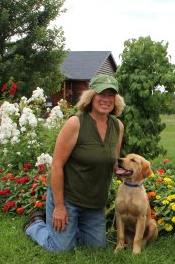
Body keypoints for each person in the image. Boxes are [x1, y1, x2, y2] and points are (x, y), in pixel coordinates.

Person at [23, 74, 125, 252]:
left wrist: (130, 174)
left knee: (96, 248)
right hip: (69, 198)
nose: (106, 100)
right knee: (60, 249)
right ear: (91, 96)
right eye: (102, 94)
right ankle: (35, 225)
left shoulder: (118, 126)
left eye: (111, 95)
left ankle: (71, 228)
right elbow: (57, 165)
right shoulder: (75, 123)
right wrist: (60, 206)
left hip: (95, 202)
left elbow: (113, 162)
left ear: (116, 99)